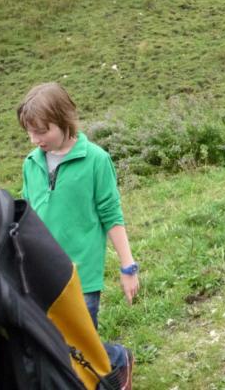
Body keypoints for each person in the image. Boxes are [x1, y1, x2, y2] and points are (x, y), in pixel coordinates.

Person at [17, 82, 139, 376]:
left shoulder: (96, 160)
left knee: (82, 348)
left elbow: (111, 215)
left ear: (64, 119)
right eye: (29, 132)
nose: (34, 139)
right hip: (40, 272)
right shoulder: (31, 163)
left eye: (41, 131)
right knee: (49, 344)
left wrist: (128, 267)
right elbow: (25, 216)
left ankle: (118, 359)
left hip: (81, 276)